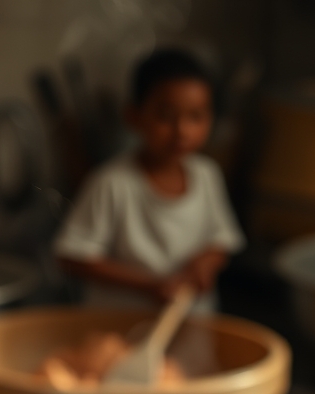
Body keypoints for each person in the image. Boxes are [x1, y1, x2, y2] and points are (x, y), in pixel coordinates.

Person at [54, 48, 244, 311]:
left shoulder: (207, 175)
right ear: (133, 116)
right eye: (166, 116)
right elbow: (73, 257)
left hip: (193, 322)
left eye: (196, 116)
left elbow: (222, 240)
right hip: (120, 326)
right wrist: (151, 285)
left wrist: (204, 264)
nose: (182, 131)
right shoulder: (112, 183)